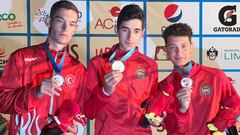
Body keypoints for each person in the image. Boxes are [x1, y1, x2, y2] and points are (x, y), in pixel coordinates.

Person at [0, 1, 87, 134]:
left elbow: (80, 110)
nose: (65, 28)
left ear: (75, 28)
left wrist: (76, 129)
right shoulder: (21, 58)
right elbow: (2, 102)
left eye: (71, 24)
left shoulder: (79, 69)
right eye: (60, 21)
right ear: (48, 21)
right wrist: (35, 93)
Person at [145, 23, 240, 135]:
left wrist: (220, 124)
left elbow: (235, 104)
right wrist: (182, 109)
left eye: (183, 46)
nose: (179, 52)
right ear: (166, 50)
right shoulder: (163, 88)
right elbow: (172, 128)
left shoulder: (216, 76)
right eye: (172, 47)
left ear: (191, 46)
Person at [83, 4, 158, 135]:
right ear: (116, 30)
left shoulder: (150, 65)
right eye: (125, 30)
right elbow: (89, 112)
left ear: (142, 33)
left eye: (136, 31)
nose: (130, 37)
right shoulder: (97, 63)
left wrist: (157, 115)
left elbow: (153, 106)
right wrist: (105, 92)